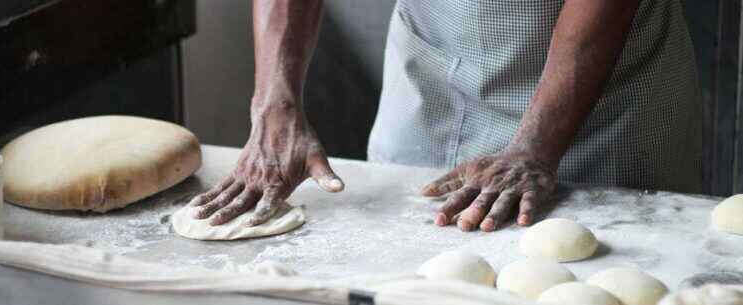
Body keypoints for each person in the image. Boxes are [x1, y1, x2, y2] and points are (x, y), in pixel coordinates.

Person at [189, 0, 701, 232]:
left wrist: (537, 144)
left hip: (602, 94)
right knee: (406, 259)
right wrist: (274, 102)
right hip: (433, 62)